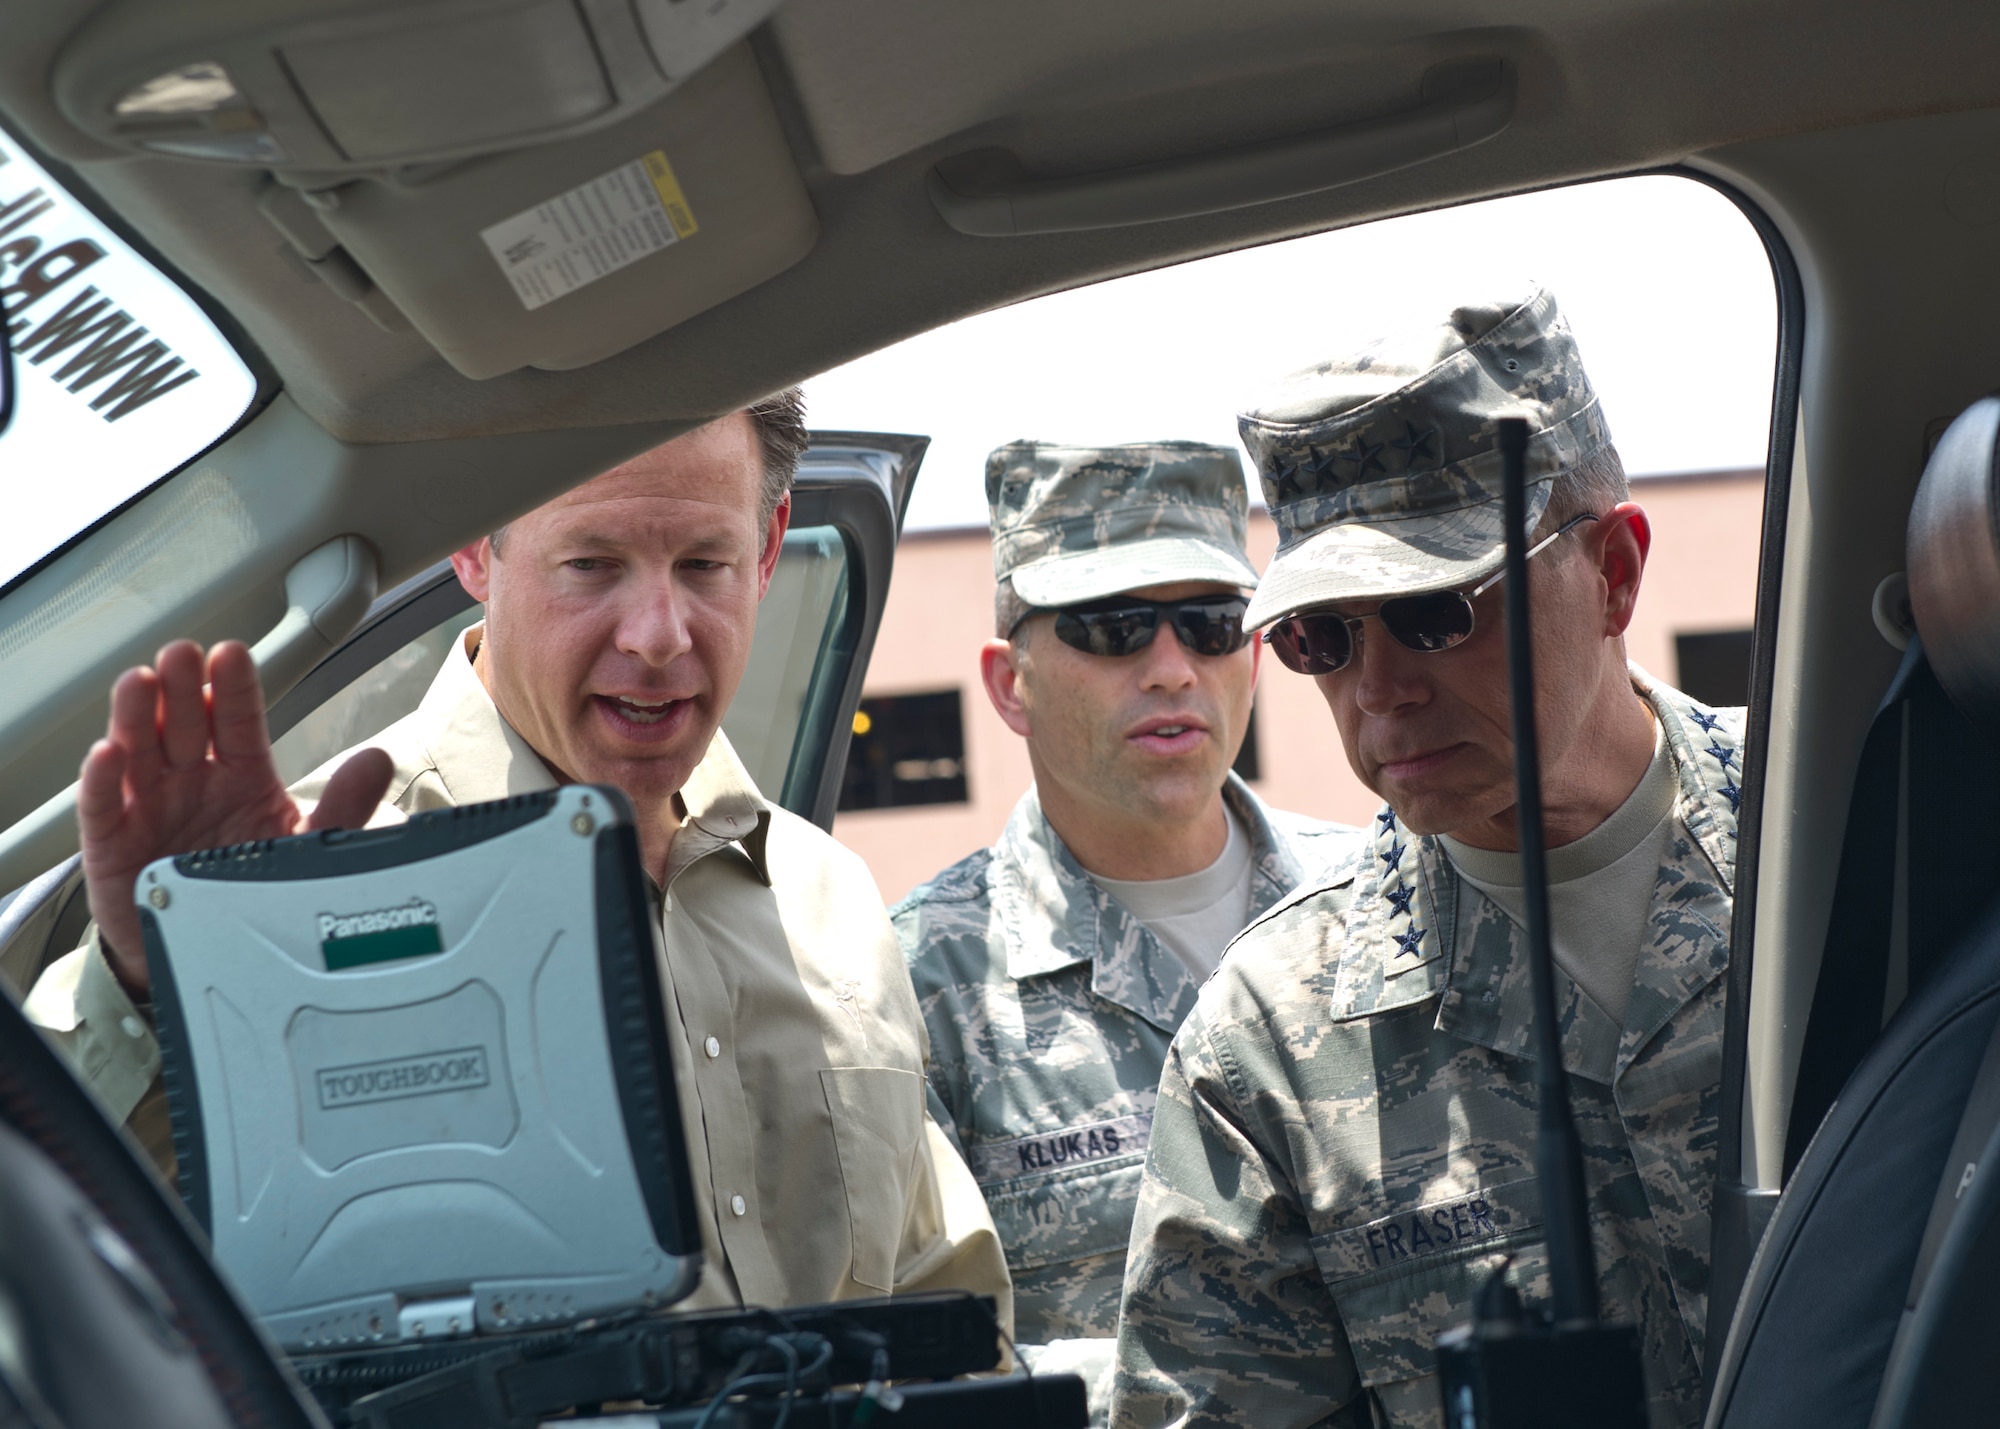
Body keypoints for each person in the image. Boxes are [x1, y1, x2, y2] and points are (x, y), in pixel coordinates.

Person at [26, 392, 1013, 1324]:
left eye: (705, 564)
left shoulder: (824, 895)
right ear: (472, 543)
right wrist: (156, 986)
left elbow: (946, 1293)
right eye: (592, 563)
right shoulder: (312, 874)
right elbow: (61, 1255)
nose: (660, 635)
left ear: (765, 549)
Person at [1111, 290, 1744, 1429]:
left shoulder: (1854, 835)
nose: (1378, 688)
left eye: (1435, 609)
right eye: (1320, 636)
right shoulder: (1268, 1048)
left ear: (1613, 571)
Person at [895, 441, 1357, 1414]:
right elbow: (922, 1366)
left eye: (1210, 623)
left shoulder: (1379, 904)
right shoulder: (918, 984)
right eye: (1111, 628)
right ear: (1007, 681)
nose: (1169, 668)